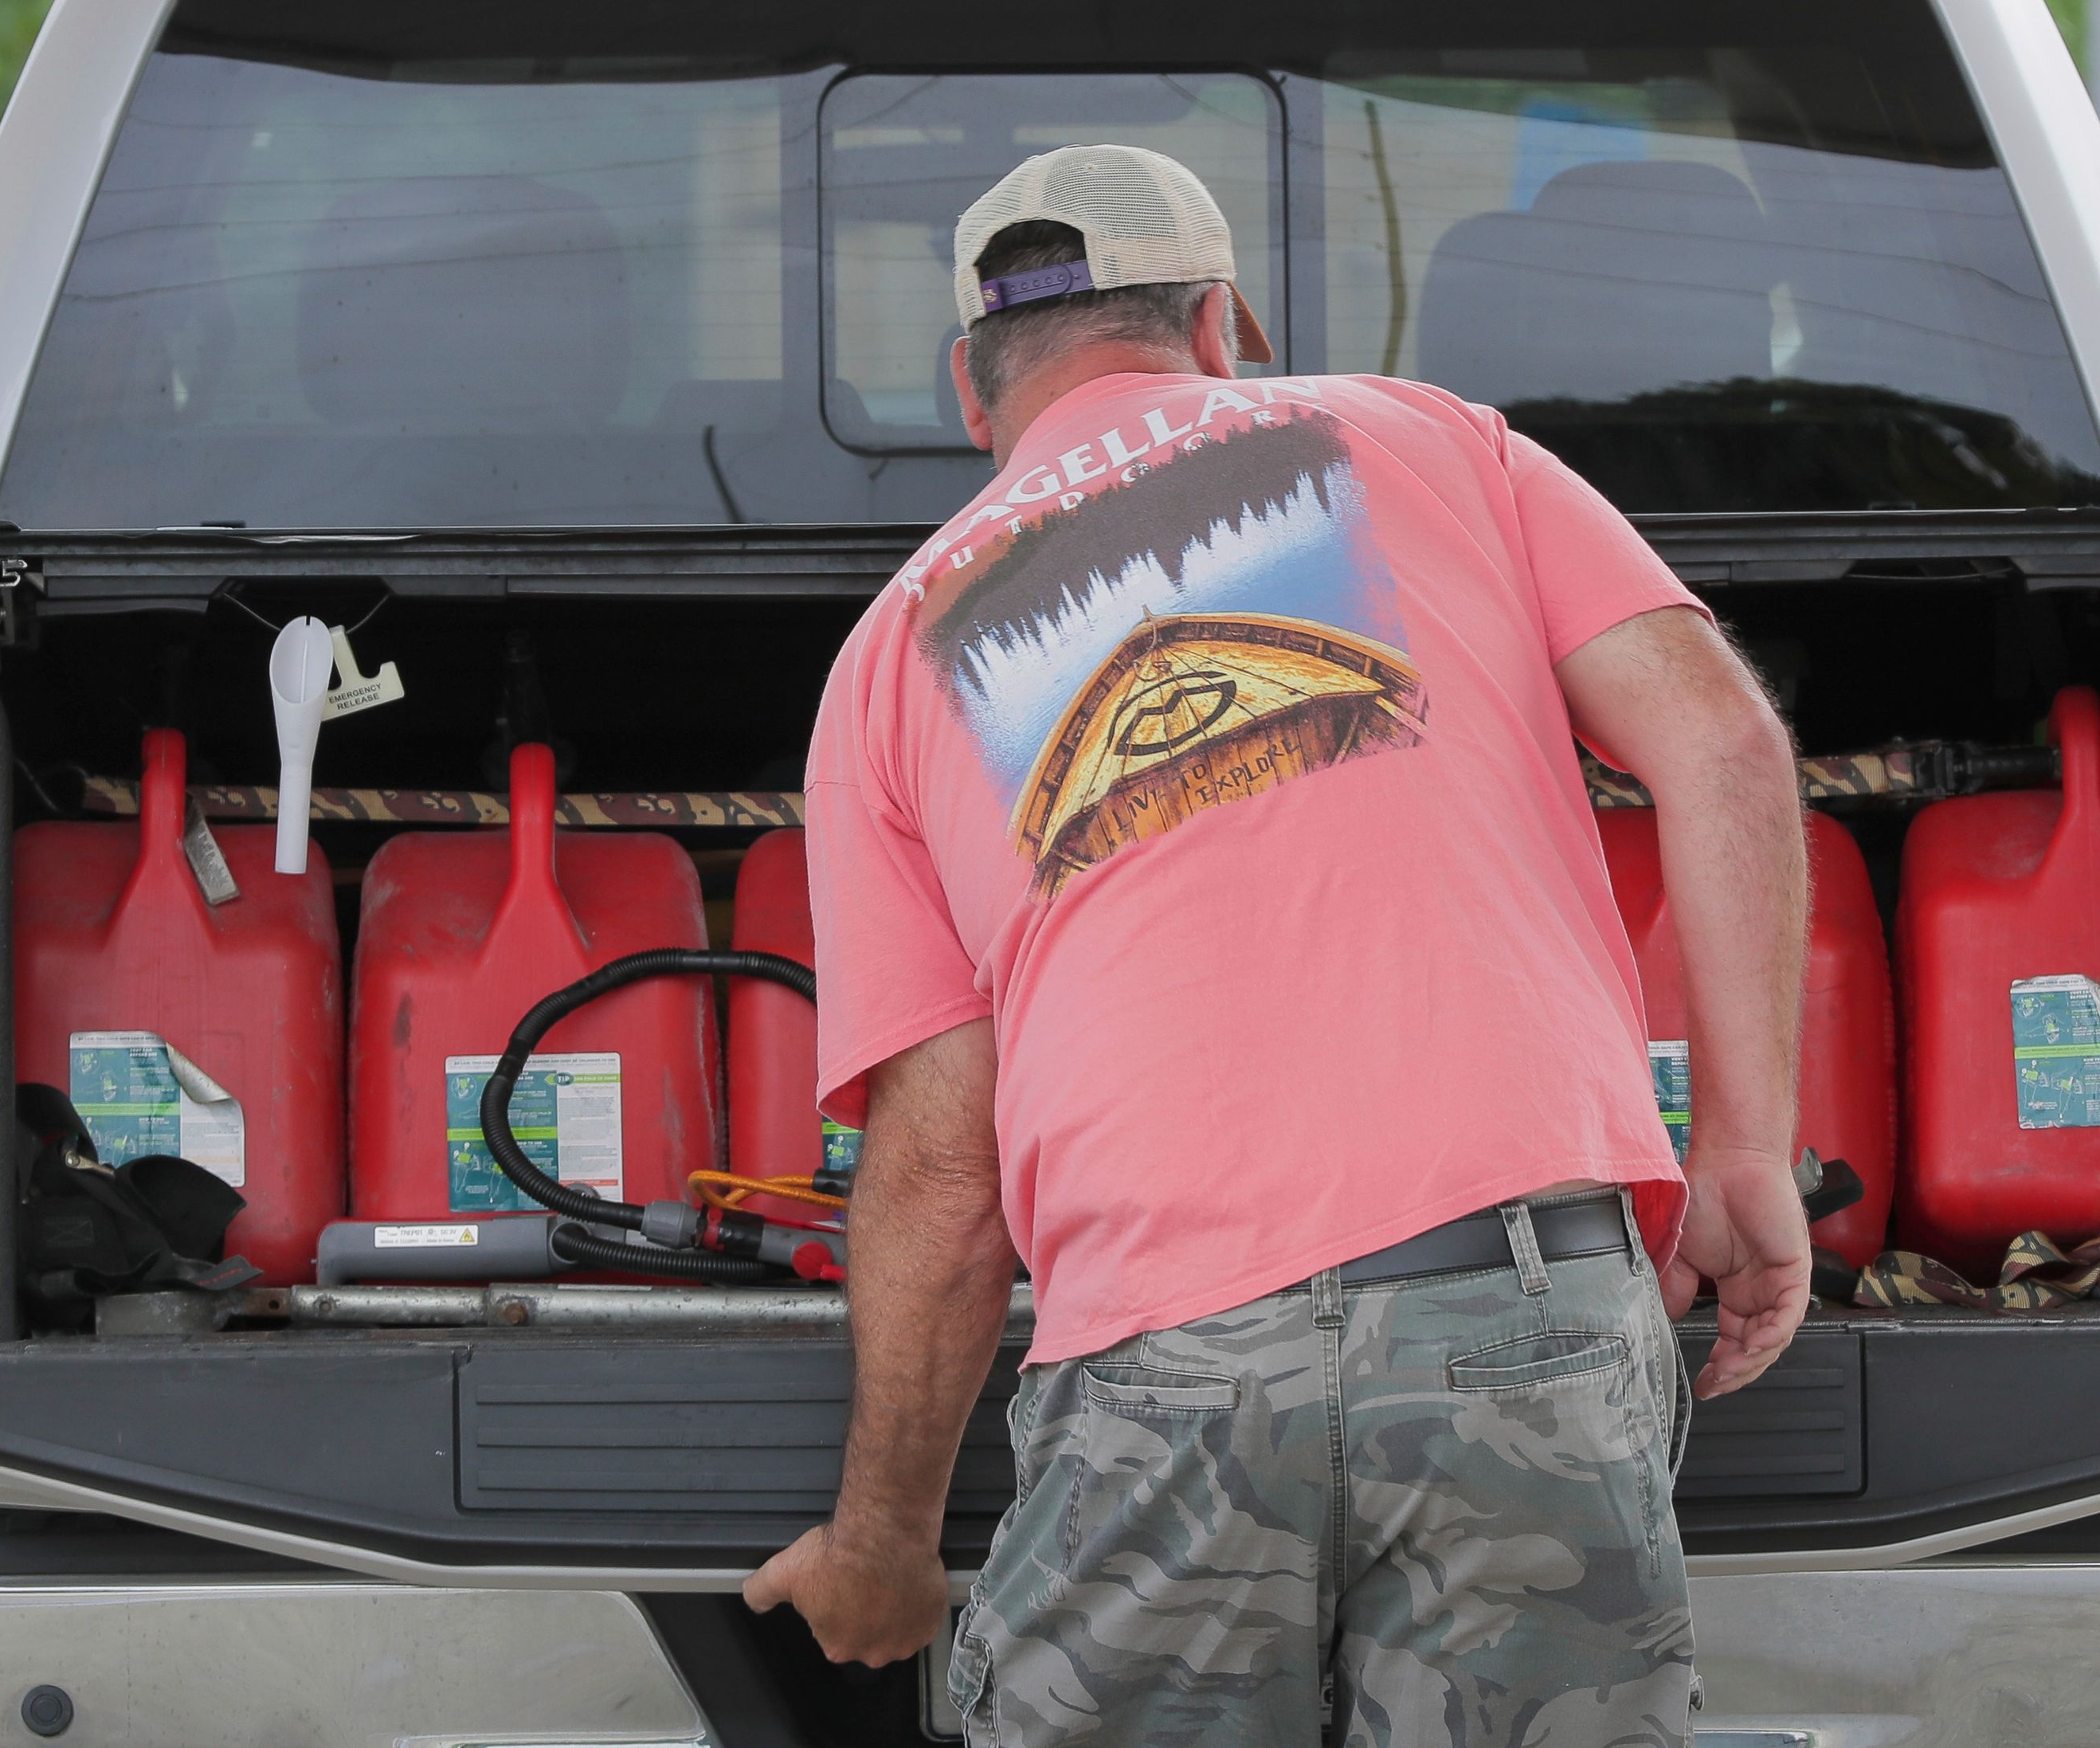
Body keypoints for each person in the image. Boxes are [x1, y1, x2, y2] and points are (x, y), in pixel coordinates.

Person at [744, 143, 1809, 1748]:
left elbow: (944, 1177)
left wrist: (882, 1540)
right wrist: (1742, 1151)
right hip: (1519, 1307)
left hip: (1173, 1361)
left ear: (972, 387)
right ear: (1226, 326)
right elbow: (1724, 744)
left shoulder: (900, 646)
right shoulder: (1433, 441)